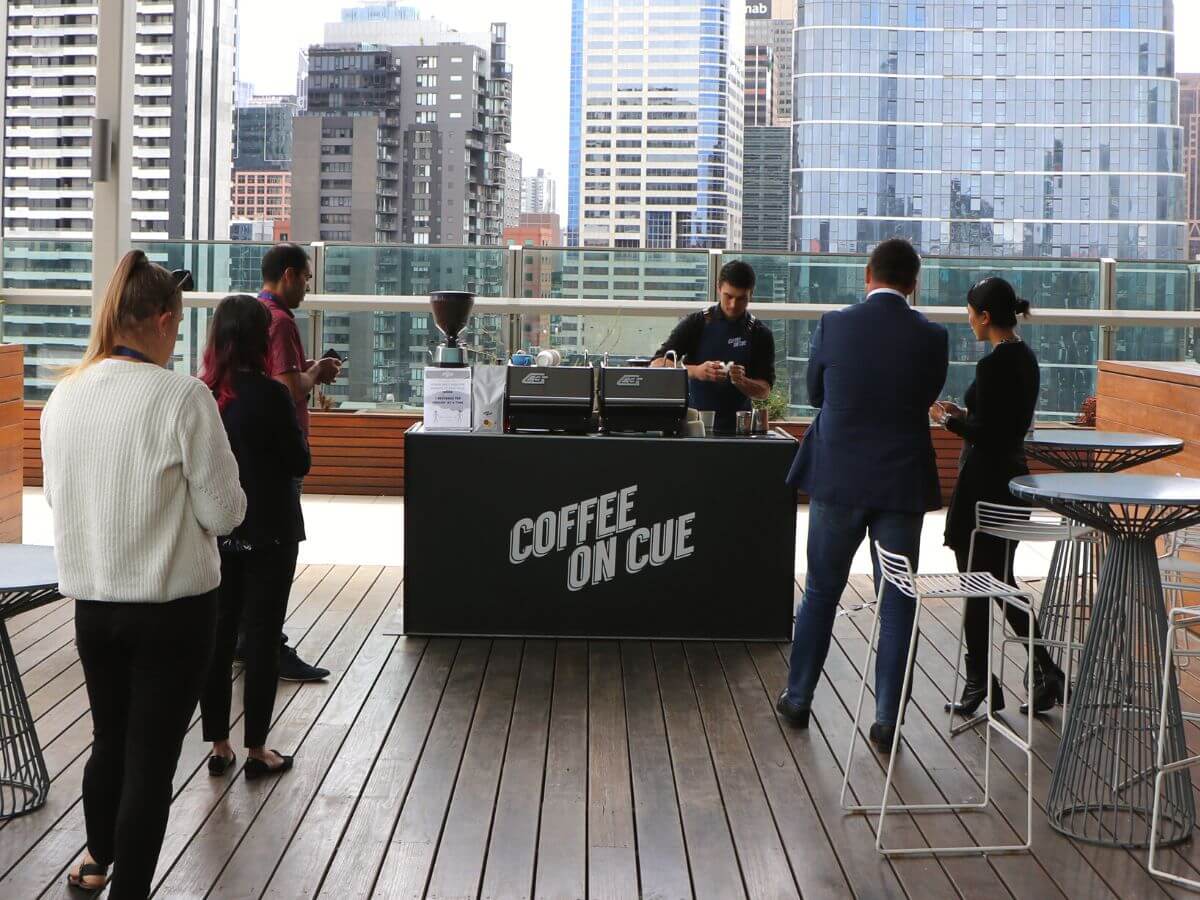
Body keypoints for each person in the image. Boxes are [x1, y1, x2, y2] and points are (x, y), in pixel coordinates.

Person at [41, 251, 246, 898]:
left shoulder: (63, 395)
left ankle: (96, 862)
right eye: (178, 327)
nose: (177, 340)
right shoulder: (182, 396)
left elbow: (59, 500)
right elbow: (224, 511)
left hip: (93, 607)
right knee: (152, 761)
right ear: (160, 321)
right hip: (174, 611)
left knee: (110, 738)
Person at [777, 238, 949, 753]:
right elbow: (926, 397)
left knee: (823, 593)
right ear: (914, 283)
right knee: (896, 600)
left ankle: (799, 698)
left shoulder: (835, 324)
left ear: (867, 275)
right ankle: (887, 720)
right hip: (899, 484)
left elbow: (814, 394)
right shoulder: (933, 337)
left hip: (839, 478)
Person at [930, 276, 1066, 718]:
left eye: (970, 312)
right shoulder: (1024, 358)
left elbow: (987, 433)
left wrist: (949, 421)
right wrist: (966, 415)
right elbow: (1004, 424)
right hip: (1012, 482)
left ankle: (980, 684)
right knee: (1001, 580)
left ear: (985, 317)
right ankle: (1044, 671)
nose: (967, 319)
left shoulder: (992, 365)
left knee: (975, 582)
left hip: (983, 487)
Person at [200, 295, 311, 781]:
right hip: (271, 531)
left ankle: (218, 744)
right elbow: (298, 463)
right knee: (262, 638)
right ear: (257, 340)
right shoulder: (271, 396)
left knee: (218, 637)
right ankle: (258, 748)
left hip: (218, 532)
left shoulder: (202, 394)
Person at [246, 243, 340, 683]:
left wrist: (310, 368)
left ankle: (247, 639)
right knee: (280, 549)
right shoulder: (280, 322)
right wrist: (316, 373)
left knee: (253, 550)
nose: (307, 286)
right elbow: (286, 388)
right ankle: (270, 645)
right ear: (287, 274)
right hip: (281, 450)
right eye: (305, 277)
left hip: (252, 449)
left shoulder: (251, 314)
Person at [649, 260, 775, 433]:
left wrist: (742, 381)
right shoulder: (696, 323)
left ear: (751, 294)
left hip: (738, 430)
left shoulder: (760, 333)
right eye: (728, 296)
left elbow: (764, 391)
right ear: (718, 288)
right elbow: (656, 364)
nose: (733, 305)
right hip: (692, 425)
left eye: (741, 299)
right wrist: (696, 371)